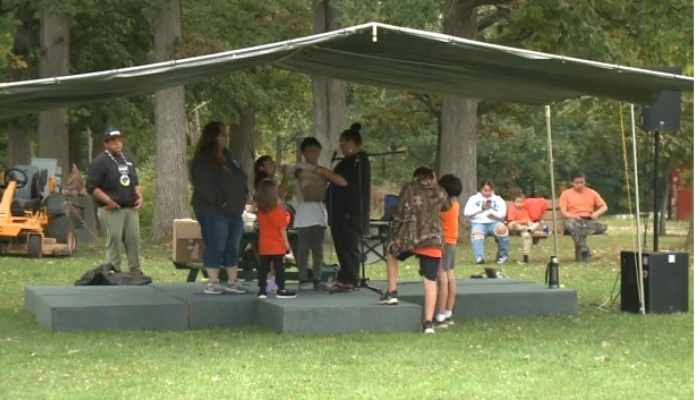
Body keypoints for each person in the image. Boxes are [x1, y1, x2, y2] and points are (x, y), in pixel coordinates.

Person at [379, 167, 451, 334]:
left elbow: (399, 213)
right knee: (430, 282)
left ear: (415, 177)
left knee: (391, 253)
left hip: (410, 238)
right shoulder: (440, 190)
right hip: (433, 239)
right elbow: (447, 206)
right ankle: (428, 323)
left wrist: (397, 235)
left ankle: (392, 292)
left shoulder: (409, 188)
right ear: (432, 177)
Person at [190, 121, 248, 295]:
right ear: (212, 136)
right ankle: (213, 282)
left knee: (234, 245)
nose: (226, 137)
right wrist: (221, 201)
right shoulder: (204, 158)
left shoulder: (229, 155)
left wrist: (243, 194)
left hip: (234, 210)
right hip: (213, 210)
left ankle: (232, 280)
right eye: (223, 134)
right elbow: (204, 184)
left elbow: (240, 176)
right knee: (216, 243)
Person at [86, 127, 144, 274]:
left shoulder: (128, 158)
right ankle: (113, 270)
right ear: (106, 144)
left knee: (133, 240)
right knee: (114, 241)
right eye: (113, 141)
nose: (118, 143)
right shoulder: (100, 161)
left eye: (119, 140)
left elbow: (134, 181)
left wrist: (140, 196)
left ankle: (135, 270)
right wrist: (108, 201)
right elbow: (92, 187)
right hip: (111, 209)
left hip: (130, 207)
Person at [293, 137, 347, 290]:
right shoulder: (300, 167)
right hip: (304, 214)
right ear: (303, 152)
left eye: (316, 150)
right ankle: (303, 278)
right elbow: (302, 175)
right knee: (303, 250)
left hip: (319, 213)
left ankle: (317, 278)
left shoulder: (322, 169)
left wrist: (323, 172)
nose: (313, 153)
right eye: (310, 150)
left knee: (318, 249)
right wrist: (321, 174)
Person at [326, 123, 371, 292]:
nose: (341, 147)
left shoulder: (358, 161)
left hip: (350, 212)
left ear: (351, 143)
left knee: (349, 245)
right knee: (341, 245)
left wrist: (325, 172)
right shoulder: (347, 161)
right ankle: (344, 278)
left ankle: (351, 279)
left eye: (343, 143)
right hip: (339, 212)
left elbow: (344, 181)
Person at [254, 178, 296, 299]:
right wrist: (287, 244)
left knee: (263, 268)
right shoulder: (277, 211)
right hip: (277, 244)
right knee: (279, 268)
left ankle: (262, 290)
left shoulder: (260, 211)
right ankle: (281, 289)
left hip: (264, 243)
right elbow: (282, 228)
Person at [253, 155, 288, 292]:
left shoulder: (267, 182)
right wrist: (285, 175)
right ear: (261, 168)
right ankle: (272, 282)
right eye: (268, 163)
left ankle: (269, 282)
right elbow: (281, 192)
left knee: (269, 259)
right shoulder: (265, 182)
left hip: (268, 228)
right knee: (275, 258)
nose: (273, 164)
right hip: (274, 225)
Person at [559, 171, 608, 262]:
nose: (579, 185)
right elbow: (563, 212)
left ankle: (582, 237)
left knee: (603, 226)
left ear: (585, 181)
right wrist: (573, 216)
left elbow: (604, 207)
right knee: (569, 224)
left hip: (588, 221)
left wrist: (596, 213)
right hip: (574, 220)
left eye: (582, 182)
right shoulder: (566, 194)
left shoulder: (592, 193)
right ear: (572, 183)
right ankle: (584, 250)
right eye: (577, 183)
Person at [435, 174, 462, 328]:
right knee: (451, 278)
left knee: (442, 280)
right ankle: (448, 312)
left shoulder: (444, 207)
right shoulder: (456, 203)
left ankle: (440, 315)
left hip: (442, 245)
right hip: (452, 244)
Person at [463, 180, 509, 265]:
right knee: (476, 234)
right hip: (479, 223)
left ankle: (503, 256)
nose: (488, 193)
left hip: (494, 223)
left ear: (493, 190)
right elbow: (466, 213)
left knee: (502, 229)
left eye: (490, 190)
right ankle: (479, 258)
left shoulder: (498, 199)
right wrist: (481, 208)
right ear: (481, 189)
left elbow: (503, 213)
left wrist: (495, 216)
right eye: (485, 190)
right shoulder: (474, 199)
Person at [507, 191, 540, 263]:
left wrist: (530, 223)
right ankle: (529, 229)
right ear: (514, 202)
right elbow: (512, 221)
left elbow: (527, 220)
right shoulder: (512, 209)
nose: (519, 204)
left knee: (527, 235)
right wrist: (522, 222)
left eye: (521, 202)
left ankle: (526, 255)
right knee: (513, 224)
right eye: (517, 202)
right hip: (515, 228)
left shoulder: (524, 210)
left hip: (524, 229)